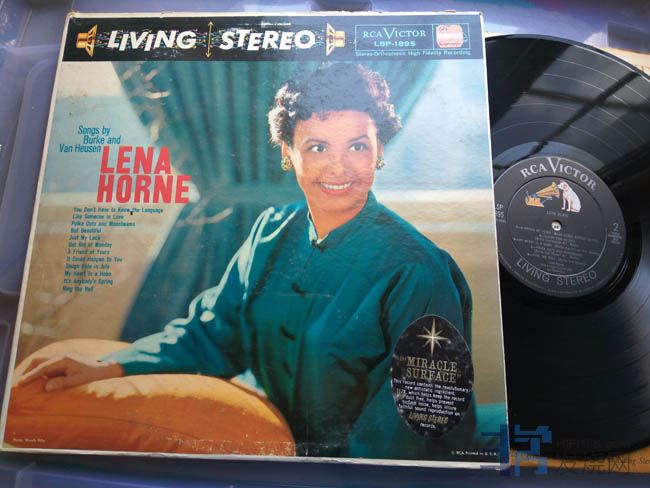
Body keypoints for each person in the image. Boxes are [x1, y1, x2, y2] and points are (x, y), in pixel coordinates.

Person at [16, 63, 473, 459]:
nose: (339, 167)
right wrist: (111, 366)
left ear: (380, 150)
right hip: (276, 456)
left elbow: (412, 426)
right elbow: (212, 335)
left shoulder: (419, 271)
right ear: (287, 153)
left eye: (357, 146)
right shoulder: (271, 233)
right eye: (317, 147)